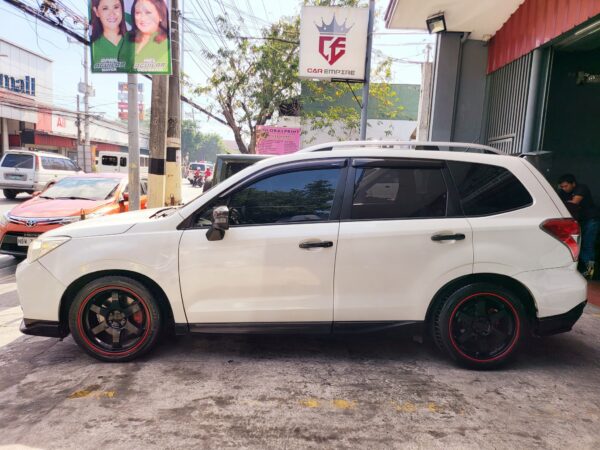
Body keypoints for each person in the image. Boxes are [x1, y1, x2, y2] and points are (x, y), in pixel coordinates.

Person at [558, 174, 600, 279]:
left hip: (591, 220)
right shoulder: (563, 192)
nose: (564, 189)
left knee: (587, 245)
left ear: (573, 184)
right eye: (562, 187)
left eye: (566, 186)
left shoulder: (581, 188)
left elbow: (574, 203)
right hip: (578, 222)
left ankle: (590, 272)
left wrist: (564, 202)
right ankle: (584, 270)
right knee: (578, 246)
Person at [90, 0, 132, 72]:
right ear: (96, 11)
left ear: (122, 8)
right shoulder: (95, 46)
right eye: (105, 8)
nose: (112, 13)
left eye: (116, 7)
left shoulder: (134, 42)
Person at [129, 0, 171, 74]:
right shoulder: (128, 37)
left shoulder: (165, 44)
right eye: (138, 13)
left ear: (161, 16)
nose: (143, 18)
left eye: (148, 13)